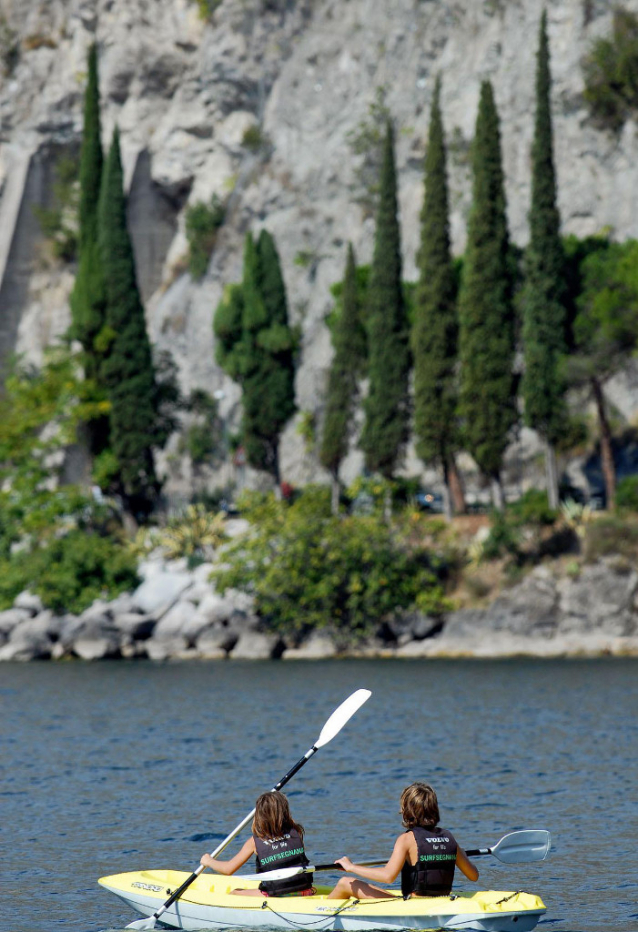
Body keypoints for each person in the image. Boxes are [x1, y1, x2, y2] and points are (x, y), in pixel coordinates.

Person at [327, 782, 478, 900]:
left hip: (414, 906)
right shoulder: (449, 838)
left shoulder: (406, 839)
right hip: (442, 900)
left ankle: (319, 914)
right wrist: (460, 854)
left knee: (345, 882)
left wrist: (351, 866)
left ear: (407, 811)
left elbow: (388, 876)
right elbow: (474, 876)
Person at [200, 790, 315, 897]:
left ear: (260, 816)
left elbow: (228, 869)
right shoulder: (297, 832)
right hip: (304, 891)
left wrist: (209, 861)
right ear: (285, 812)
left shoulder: (254, 842)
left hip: (274, 894)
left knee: (235, 893)